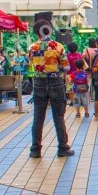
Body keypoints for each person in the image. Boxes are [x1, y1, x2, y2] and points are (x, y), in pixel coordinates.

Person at [28, 19, 74, 158]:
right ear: (51, 31)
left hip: (39, 84)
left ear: (37, 33)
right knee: (58, 117)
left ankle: (35, 150)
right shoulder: (58, 46)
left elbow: (29, 63)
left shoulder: (32, 47)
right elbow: (66, 66)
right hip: (56, 83)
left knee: (38, 118)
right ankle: (62, 148)